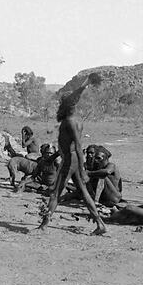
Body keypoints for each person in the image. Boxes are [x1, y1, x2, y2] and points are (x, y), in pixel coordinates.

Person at [36, 73, 107, 235]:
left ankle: (44, 225)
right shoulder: (73, 120)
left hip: (70, 161)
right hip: (72, 159)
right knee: (83, 192)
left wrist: (82, 168)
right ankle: (100, 223)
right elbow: (67, 145)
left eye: (62, 104)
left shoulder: (70, 122)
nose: (60, 106)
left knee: (55, 192)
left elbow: (77, 144)